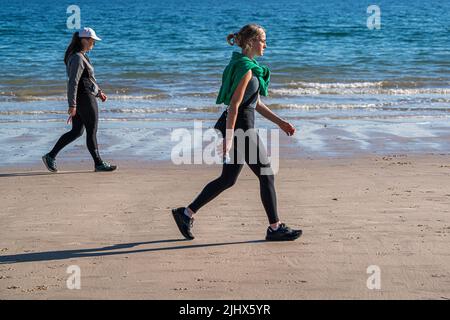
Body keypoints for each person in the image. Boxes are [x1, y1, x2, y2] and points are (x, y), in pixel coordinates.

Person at [172, 24, 302, 241]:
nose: (266, 45)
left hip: (240, 126)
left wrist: (280, 122)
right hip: (241, 128)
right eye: (263, 40)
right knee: (266, 174)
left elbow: (255, 103)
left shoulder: (248, 67)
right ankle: (275, 227)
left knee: (228, 179)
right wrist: (231, 138)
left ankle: (186, 214)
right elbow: (234, 105)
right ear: (251, 42)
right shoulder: (244, 68)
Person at [42, 27, 116, 172]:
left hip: (84, 96)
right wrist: (72, 104)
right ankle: (98, 163)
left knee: (77, 131)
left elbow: (87, 79)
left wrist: (99, 92)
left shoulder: (81, 56)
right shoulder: (77, 57)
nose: (94, 44)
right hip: (84, 98)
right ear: (84, 40)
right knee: (92, 130)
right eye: (92, 41)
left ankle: (50, 156)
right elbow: (73, 82)